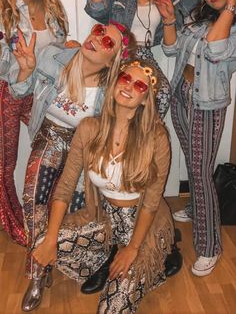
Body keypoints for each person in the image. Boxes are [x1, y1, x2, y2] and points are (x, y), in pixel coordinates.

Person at [26, 58, 174, 313]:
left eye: (139, 85)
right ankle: (108, 259)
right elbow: (65, 187)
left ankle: (157, 262)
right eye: (126, 78)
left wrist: (133, 249)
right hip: (104, 219)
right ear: (116, 80)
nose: (129, 86)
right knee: (43, 240)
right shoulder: (88, 128)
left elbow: (151, 201)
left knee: (110, 309)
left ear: (145, 99)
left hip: (142, 227)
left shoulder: (156, 137)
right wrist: (50, 239)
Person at [9, 21, 136, 311]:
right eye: (100, 31)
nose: (99, 38)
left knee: (72, 213)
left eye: (108, 43)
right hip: (48, 138)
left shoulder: (110, 90)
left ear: (112, 59)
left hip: (83, 149)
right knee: (34, 206)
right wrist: (26, 71)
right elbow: (19, 92)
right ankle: (38, 275)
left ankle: (56, 259)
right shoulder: (53, 57)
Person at [85, 0, 236, 118]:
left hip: (145, 54)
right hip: (116, 53)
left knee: (163, 93)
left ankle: (145, 141)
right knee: (104, 96)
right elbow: (95, 9)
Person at [155, 0, 236, 277]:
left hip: (207, 105)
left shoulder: (231, 24)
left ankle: (210, 246)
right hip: (181, 97)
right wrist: (169, 21)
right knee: (193, 163)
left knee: (200, 175)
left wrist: (231, 6)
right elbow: (172, 50)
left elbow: (216, 50)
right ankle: (196, 208)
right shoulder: (196, 20)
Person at [0, 0, 68, 246]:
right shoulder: (2, 7)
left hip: (42, 92)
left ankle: (52, 223)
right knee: (5, 164)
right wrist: (20, 70)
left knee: (55, 156)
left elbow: (54, 51)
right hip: (6, 91)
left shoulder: (52, 7)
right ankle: (15, 226)